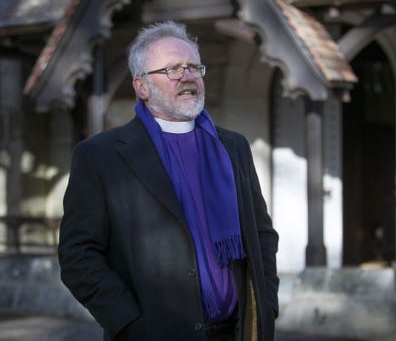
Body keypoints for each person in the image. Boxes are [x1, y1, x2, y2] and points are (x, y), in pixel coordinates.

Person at [58, 21, 279, 341]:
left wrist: (266, 305)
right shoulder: (100, 156)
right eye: (173, 69)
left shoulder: (233, 147)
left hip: (235, 331)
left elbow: (261, 236)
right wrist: (129, 323)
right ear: (142, 86)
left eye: (193, 67)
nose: (188, 76)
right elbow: (78, 256)